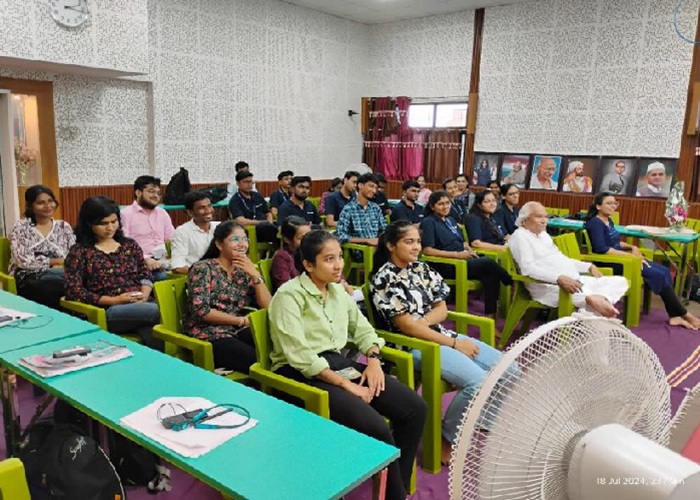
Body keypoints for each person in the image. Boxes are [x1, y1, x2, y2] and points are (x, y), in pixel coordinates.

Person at [268, 230, 427, 500]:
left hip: (335, 363)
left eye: (339, 257)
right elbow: (300, 355)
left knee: (414, 408)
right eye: (329, 259)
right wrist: (347, 385)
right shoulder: (289, 295)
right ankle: (395, 495)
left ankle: (394, 486)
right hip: (298, 374)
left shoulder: (338, 291)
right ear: (308, 265)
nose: (338, 265)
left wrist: (373, 360)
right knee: (377, 428)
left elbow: (363, 329)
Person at [371, 220, 510, 464]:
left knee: (509, 370)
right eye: (409, 242)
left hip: (437, 333)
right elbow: (406, 327)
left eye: (418, 241)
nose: (416, 247)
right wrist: (453, 344)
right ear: (391, 245)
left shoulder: (421, 268)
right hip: (410, 345)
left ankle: (479, 420)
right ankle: (448, 436)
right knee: (479, 382)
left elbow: (442, 309)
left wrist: (424, 323)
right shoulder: (384, 278)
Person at [585, 193, 700, 329]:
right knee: (658, 274)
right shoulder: (595, 223)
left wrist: (632, 247)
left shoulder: (608, 221)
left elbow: (614, 242)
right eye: (609, 203)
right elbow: (602, 248)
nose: (613, 206)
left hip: (622, 258)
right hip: (611, 263)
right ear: (598, 206)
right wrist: (631, 257)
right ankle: (684, 314)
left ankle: (674, 316)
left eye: (615, 203)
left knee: (664, 271)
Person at [64, 196, 163, 350]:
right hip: (106, 310)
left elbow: (144, 273)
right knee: (160, 310)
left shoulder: (129, 245)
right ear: (89, 224)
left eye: (114, 221)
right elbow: (74, 291)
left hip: (139, 304)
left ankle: (158, 361)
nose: (110, 228)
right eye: (103, 223)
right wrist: (115, 300)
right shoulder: (80, 252)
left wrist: (144, 294)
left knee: (155, 334)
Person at [508, 201, 628, 317]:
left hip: (574, 280)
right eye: (539, 216)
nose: (544, 220)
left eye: (545, 216)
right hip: (551, 288)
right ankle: (593, 301)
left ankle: (598, 299)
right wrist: (558, 278)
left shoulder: (543, 235)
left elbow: (562, 259)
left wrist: (588, 266)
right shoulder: (520, 237)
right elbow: (528, 269)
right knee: (593, 304)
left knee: (620, 282)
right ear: (524, 220)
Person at [184, 221, 272, 372]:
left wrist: (256, 276)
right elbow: (202, 311)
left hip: (236, 328)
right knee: (255, 360)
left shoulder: (243, 270)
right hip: (208, 333)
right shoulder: (203, 268)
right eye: (235, 239)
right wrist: (239, 320)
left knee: (274, 348)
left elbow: (268, 306)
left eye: (245, 239)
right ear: (219, 244)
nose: (242, 244)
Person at [420, 191, 512, 320]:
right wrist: (457, 255)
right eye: (441, 204)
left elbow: (463, 242)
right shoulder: (429, 222)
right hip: (446, 264)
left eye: (447, 203)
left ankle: (490, 317)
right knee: (488, 262)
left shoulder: (451, 220)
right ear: (432, 206)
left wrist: (469, 250)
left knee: (491, 275)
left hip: (464, 261)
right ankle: (511, 281)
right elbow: (427, 251)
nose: (445, 207)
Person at [9, 185, 75, 309]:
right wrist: (54, 262)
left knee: (79, 280)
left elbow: (73, 255)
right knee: (59, 284)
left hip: (61, 271)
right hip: (28, 276)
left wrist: (61, 265)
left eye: (50, 201)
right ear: (30, 206)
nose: (47, 206)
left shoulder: (63, 226)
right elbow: (23, 261)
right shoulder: (20, 227)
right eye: (40, 203)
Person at [120, 175, 174, 282]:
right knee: (160, 275)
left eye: (158, 193)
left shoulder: (162, 213)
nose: (156, 196)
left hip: (164, 259)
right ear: (138, 193)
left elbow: (172, 239)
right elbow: (124, 245)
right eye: (151, 191)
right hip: (139, 261)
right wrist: (145, 259)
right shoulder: (125, 214)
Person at [170, 191, 219, 275]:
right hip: (198, 278)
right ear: (190, 212)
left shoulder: (220, 227)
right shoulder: (182, 232)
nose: (208, 211)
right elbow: (177, 267)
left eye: (209, 206)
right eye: (202, 208)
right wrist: (204, 275)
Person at [336, 173, 388, 251]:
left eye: (375, 188)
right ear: (360, 185)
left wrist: (380, 240)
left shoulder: (375, 208)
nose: (374, 191)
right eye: (371, 186)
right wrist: (366, 240)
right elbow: (340, 236)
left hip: (377, 248)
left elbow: (384, 230)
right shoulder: (349, 209)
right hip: (359, 250)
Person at [228, 170, 278, 242]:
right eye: (246, 182)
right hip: (251, 230)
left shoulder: (257, 196)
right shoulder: (235, 201)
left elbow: (268, 213)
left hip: (267, 227)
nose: (249, 184)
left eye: (251, 182)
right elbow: (240, 221)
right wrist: (260, 223)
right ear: (238, 183)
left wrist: (270, 223)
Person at [271, 216, 312, 291]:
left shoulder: (312, 253)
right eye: (301, 238)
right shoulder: (282, 257)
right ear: (287, 239)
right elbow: (285, 287)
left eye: (310, 236)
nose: (308, 241)